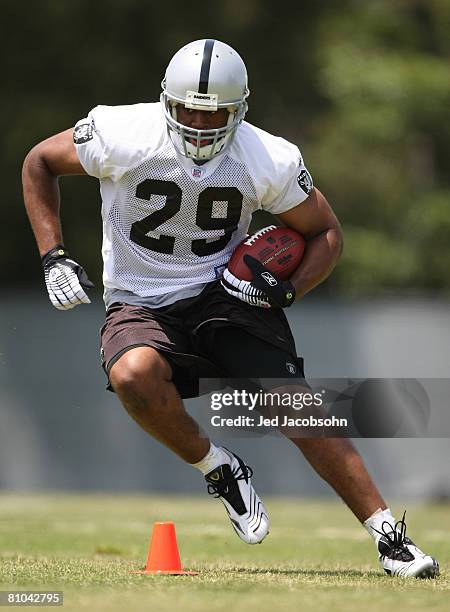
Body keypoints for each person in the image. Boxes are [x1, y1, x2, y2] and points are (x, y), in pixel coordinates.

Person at [22, 39, 438, 577]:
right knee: (132, 376)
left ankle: (388, 536)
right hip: (140, 297)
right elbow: (39, 162)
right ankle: (218, 468)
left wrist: (287, 292)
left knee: (297, 406)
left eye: (212, 112)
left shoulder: (267, 157)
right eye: (188, 108)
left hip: (226, 293)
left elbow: (326, 234)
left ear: (238, 109)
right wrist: (53, 256)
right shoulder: (122, 133)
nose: (198, 123)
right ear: (166, 101)